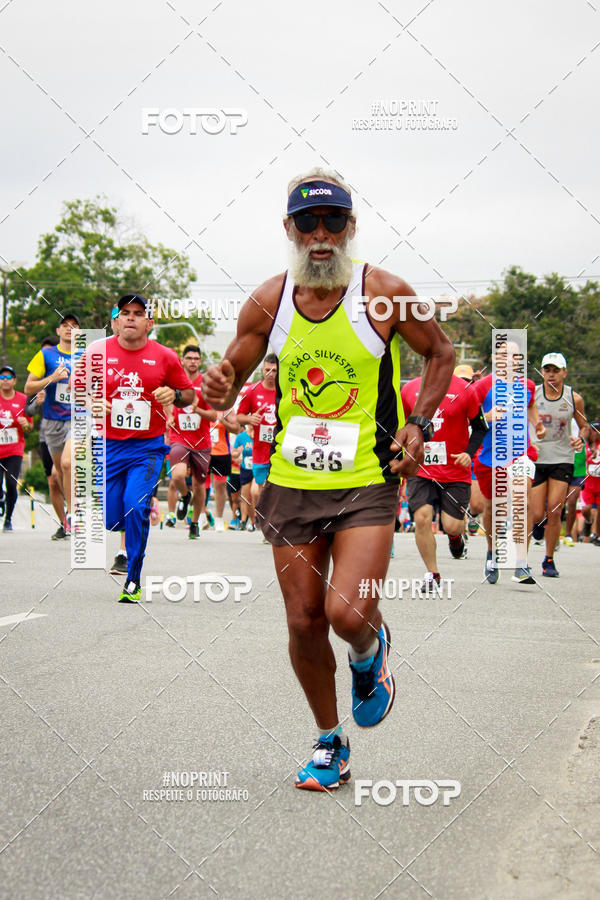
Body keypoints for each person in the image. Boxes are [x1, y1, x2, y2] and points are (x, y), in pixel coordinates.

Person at [202, 168, 454, 790]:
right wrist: (221, 379)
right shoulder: (268, 298)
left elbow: (441, 352)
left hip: (368, 479)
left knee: (346, 613)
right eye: (308, 223)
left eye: (333, 221)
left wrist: (419, 423)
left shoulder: (385, 292)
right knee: (303, 620)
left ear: (350, 226)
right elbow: (238, 358)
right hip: (291, 482)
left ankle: (369, 651)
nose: (321, 235)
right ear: (288, 229)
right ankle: (329, 740)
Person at [85, 293, 194, 602]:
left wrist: (173, 394)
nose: (130, 317)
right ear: (116, 321)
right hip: (108, 445)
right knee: (112, 518)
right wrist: (92, 402)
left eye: (137, 313)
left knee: (134, 506)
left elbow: (189, 395)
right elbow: (78, 387)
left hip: (147, 447)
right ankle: (142, 509)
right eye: (125, 313)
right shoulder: (97, 351)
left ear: (150, 323)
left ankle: (132, 578)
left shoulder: (165, 356)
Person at [401, 364, 488, 589]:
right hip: (421, 468)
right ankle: (433, 574)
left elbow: (480, 427)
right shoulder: (409, 389)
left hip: (455, 469)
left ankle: (455, 538)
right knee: (422, 517)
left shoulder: (466, 390)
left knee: (452, 526)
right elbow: (401, 426)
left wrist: (469, 454)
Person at [472, 341, 545, 584]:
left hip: (519, 454)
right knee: (492, 508)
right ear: (494, 357)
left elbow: (531, 405)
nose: (510, 359)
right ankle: (492, 553)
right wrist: (487, 417)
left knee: (522, 500)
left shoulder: (528, 385)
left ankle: (521, 563)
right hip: (489, 456)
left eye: (515, 355)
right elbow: (468, 417)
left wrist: (537, 425)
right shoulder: (483, 386)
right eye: (504, 354)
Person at [531, 353, 589, 576]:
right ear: (543, 373)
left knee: (555, 509)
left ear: (564, 372)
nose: (551, 375)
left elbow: (584, 426)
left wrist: (580, 438)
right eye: (547, 370)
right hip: (537, 457)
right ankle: (538, 525)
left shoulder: (574, 398)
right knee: (537, 514)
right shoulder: (533, 395)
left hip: (562, 458)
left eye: (556, 370)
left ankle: (548, 560)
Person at [25, 314, 80, 535]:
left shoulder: (87, 356)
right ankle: (70, 511)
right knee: (58, 473)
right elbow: (29, 388)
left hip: (78, 418)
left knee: (68, 464)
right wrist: (52, 379)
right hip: (52, 422)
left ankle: (74, 513)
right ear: (58, 331)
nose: (69, 329)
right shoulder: (45, 355)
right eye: (65, 326)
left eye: (74, 326)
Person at [165, 345, 217, 538]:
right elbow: (165, 402)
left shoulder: (206, 385)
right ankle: (185, 497)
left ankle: (194, 522)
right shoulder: (175, 381)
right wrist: (169, 416)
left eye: (196, 358)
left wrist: (198, 410)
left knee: (200, 485)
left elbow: (213, 416)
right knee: (178, 476)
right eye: (189, 358)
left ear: (200, 361)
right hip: (179, 438)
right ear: (183, 360)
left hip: (202, 442)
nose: (193, 361)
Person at [236, 356, 277, 514]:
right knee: (258, 491)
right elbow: (239, 416)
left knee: (275, 489)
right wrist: (249, 419)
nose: (271, 374)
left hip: (279, 450)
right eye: (268, 370)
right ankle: (263, 520)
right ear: (262, 370)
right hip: (259, 450)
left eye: (274, 370)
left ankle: (272, 524)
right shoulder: (252, 391)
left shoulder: (285, 391)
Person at [0, 366, 33, 530]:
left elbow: (29, 428)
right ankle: (1, 498)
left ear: (14, 381)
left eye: (9, 377)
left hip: (14, 449)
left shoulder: (22, 399)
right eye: (2, 377)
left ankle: (8, 518)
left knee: (12, 484)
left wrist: (26, 424)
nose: (5, 380)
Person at [232, 425, 255, 530]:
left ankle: (254, 521)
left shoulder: (260, 435)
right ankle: (243, 520)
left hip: (258, 468)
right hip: (246, 468)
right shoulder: (241, 437)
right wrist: (238, 452)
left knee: (254, 494)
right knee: (245, 496)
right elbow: (233, 453)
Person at [581, 423, 600, 545]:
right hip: (588, 483)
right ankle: (588, 522)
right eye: (593, 430)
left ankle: (597, 534)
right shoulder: (585, 445)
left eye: (597, 431)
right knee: (586, 509)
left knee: (599, 510)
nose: (595, 433)